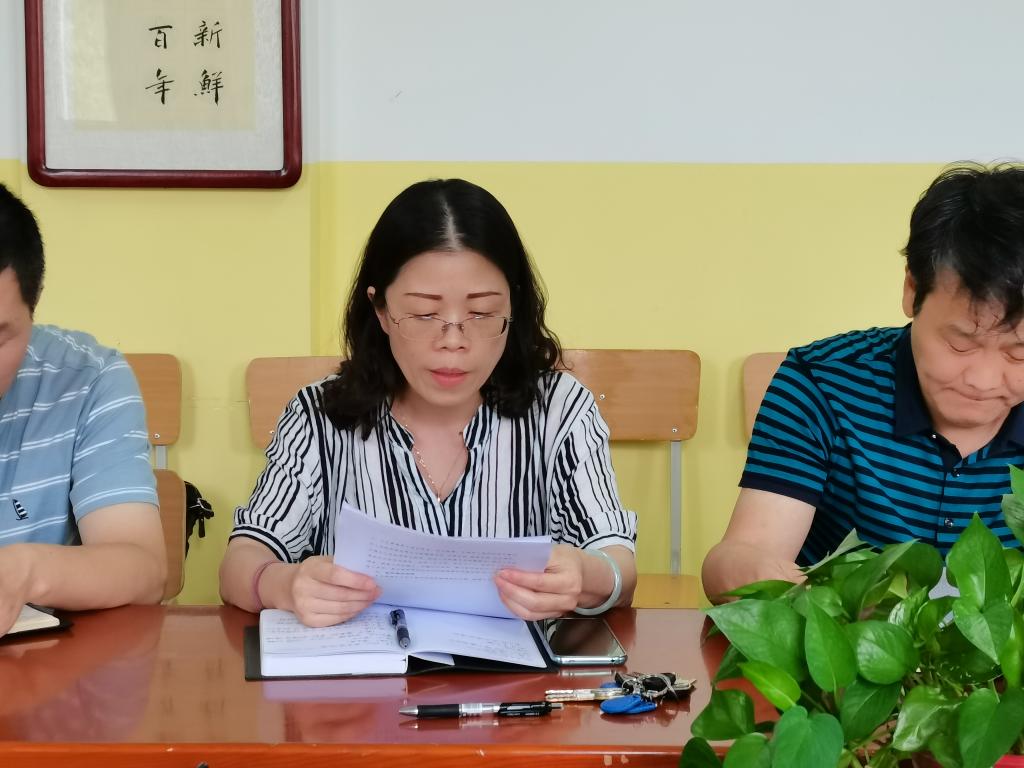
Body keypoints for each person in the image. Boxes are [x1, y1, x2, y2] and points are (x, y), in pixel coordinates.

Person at [220, 179, 637, 626]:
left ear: (513, 306)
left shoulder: (558, 409)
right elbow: (239, 563)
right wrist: (283, 584)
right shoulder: (319, 415)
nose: (453, 341)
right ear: (380, 310)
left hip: (517, 670)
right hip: (367, 670)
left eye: (481, 313)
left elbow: (619, 567)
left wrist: (587, 576)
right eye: (423, 313)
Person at [703, 162, 1024, 601]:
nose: (983, 381)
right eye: (960, 343)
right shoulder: (821, 382)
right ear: (912, 289)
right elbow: (742, 556)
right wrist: (827, 604)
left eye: (1018, 353)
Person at [0, 184, 166, 635]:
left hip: (40, 667)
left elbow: (143, 569)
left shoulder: (89, 378)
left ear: (34, 304)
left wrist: (24, 571)